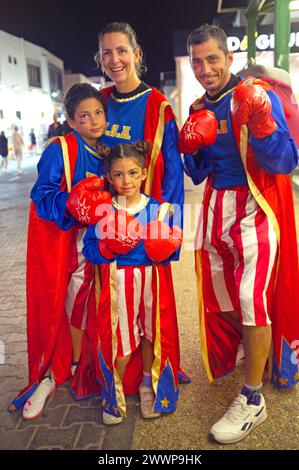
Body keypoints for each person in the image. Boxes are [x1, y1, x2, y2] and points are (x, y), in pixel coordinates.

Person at [179, 24, 299, 444]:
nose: (205, 68)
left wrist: (263, 121)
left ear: (228, 59)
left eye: (212, 58)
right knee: (223, 297)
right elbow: (198, 172)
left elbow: (286, 161)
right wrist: (191, 146)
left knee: (252, 297)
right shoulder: (197, 106)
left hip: (256, 208)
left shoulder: (255, 93)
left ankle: (252, 399)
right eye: (197, 61)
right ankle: (253, 348)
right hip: (215, 209)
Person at [8, 83, 110, 419]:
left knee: (101, 305)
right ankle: (55, 370)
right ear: (71, 119)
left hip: (105, 241)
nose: (94, 121)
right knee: (64, 305)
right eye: (85, 116)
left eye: (98, 113)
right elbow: (41, 194)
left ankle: (96, 364)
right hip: (68, 245)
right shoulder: (61, 149)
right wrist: (73, 203)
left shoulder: (110, 148)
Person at [82, 141, 183, 425]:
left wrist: (166, 247)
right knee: (121, 342)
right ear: (108, 176)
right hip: (118, 284)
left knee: (153, 334)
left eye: (132, 173)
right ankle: (112, 393)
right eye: (118, 174)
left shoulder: (160, 209)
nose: (126, 181)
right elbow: (89, 250)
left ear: (143, 172)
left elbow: (174, 248)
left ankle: (148, 385)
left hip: (153, 282)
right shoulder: (104, 211)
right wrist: (106, 248)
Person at [95, 22, 184, 229]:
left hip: (148, 221)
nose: (114, 60)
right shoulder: (99, 102)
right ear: (101, 60)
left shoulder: (159, 106)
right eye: (106, 53)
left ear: (136, 55)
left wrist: (167, 227)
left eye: (121, 51)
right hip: (107, 220)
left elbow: (173, 174)